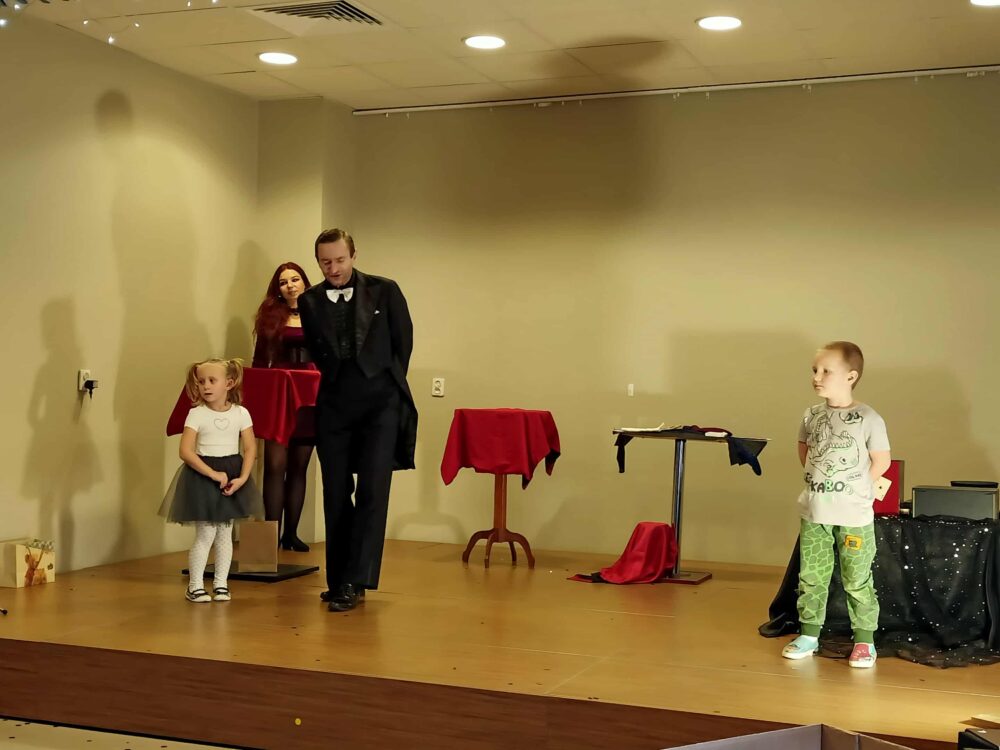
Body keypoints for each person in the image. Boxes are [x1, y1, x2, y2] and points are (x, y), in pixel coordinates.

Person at [298, 228, 417, 613]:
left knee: (372, 491)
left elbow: (403, 343)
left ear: (353, 255)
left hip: (380, 405)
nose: (333, 268)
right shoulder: (309, 300)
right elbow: (316, 350)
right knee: (334, 490)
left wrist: (384, 387)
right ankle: (339, 581)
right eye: (325, 262)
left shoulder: (385, 290)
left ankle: (356, 580)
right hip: (334, 404)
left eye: (339, 260)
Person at [782, 341, 890, 668]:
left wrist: (856, 488)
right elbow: (805, 450)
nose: (817, 377)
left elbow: (881, 461)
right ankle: (809, 634)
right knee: (812, 575)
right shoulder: (812, 415)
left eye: (826, 371)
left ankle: (864, 641)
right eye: (815, 370)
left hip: (854, 516)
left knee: (857, 578)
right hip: (815, 513)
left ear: (851, 376)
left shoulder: (868, 418)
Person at [159, 358, 263, 603]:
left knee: (225, 533)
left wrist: (243, 478)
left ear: (229, 383)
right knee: (206, 533)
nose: (205, 386)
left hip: (232, 475)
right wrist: (213, 474)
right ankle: (195, 586)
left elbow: (250, 448)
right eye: (201, 381)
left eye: (212, 380)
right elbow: (185, 451)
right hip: (203, 476)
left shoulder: (241, 413)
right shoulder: (196, 414)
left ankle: (221, 584)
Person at [252, 262, 316, 552]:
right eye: (283, 282)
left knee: (299, 466)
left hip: (310, 396)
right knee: (275, 465)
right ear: (277, 289)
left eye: (295, 279)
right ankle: (270, 537)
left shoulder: (319, 312)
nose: (290, 285)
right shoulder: (270, 316)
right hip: (279, 394)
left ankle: (291, 534)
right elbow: (259, 362)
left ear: (304, 282)